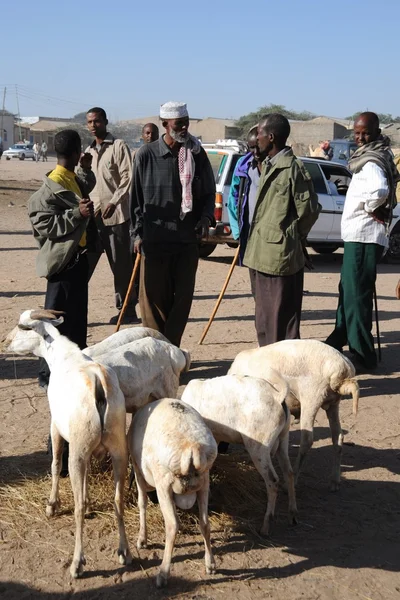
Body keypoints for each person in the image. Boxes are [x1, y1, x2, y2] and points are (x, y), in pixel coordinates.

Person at [28, 129, 96, 475]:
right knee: (56, 343)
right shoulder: (48, 188)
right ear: (76, 148)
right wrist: (77, 215)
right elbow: (45, 226)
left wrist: (84, 172)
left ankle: (74, 425)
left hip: (76, 270)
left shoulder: (70, 178)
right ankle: (58, 430)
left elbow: (80, 192)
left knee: (76, 343)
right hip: (61, 275)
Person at [131, 101, 216, 347]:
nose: (184, 127)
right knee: (153, 304)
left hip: (186, 241)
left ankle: (171, 352)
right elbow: (135, 199)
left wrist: (205, 218)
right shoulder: (146, 155)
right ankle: (157, 353)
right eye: (179, 123)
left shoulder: (196, 154)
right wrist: (136, 235)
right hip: (154, 240)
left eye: (186, 122)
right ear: (165, 124)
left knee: (182, 301)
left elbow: (209, 193)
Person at [326, 112, 399, 371]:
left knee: (356, 296)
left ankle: (363, 355)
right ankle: (338, 339)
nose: (359, 138)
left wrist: (371, 207)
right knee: (348, 290)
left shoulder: (371, 162)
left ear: (376, 132)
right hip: (359, 236)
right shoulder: (370, 156)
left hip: (364, 236)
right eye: (356, 133)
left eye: (365, 133)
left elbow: (380, 190)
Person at [242, 113, 320, 346]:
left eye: (261, 135)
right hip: (260, 254)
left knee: (280, 321)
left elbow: (309, 210)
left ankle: (283, 373)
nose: (258, 140)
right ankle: (267, 370)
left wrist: (292, 237)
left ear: (272, 137)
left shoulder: (292, 168)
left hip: (278, 257)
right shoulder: (268, 165)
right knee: (264, 320)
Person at [86, 107, 138, 324]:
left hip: (116, 218)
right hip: (92, 218)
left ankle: (126, 311)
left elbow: (128, 177)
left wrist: (114, 202)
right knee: (83, 266)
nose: (92, 125)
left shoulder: (118, 146)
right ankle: (75, 309)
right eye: (89, 122)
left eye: (97, 121)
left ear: (105, 122)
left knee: (120, 267)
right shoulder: (87, 151)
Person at [227, 125, 263, 267]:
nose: (255, 152)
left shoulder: (274, 166)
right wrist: (237, 231)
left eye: (258, 147)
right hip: (248, 231)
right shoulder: (243, 166)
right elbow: (233, 199)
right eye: (251, 147)